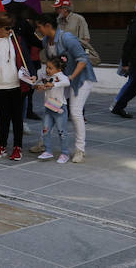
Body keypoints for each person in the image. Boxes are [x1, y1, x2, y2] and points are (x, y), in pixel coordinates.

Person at [36, 12, 96, 163]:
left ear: (48, 26)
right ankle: (44, 143)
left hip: (81, 79)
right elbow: (51, 66)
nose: (38, 30)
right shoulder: (45, 41)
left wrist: (70, 78)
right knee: (51, 107)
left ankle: (80, 150)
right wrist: (39, 80)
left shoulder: (67, 38)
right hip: (64, 80)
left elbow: (82, 60)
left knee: (75, 112)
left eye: (39, 27)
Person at [0, 12, 31, 162]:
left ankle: (18, 147)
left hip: (17, 84)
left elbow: (26, 59)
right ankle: (2, 146)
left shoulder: (17, 40)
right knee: (4, 115)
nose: (9, 30)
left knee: (17, 116)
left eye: (11, 27)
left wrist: (33, 74)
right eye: (6, 28)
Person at [33, 56, 72, 163]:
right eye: (47, 67)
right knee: (45, 130)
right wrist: (38, 86)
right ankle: (48, 151)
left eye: (50, 68)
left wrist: (54, 84)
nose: (47, 70)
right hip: (49, 106)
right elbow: (38, 83)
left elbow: (67, 82)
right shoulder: (45, 76)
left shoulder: (60, 76)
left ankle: (65, 153)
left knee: (62, 131)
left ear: (59, 69)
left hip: (60, 107)